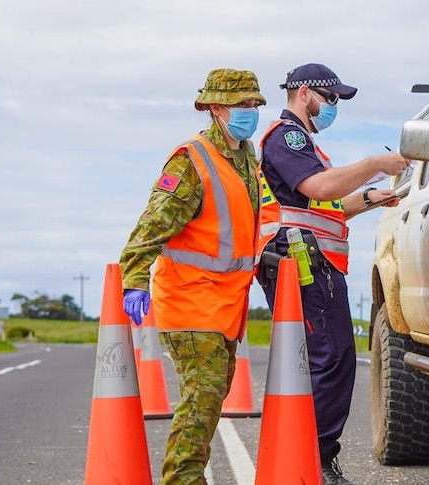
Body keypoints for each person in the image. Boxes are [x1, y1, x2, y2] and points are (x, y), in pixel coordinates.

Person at [256, 63, 411, 485]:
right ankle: (315, 462)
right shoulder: (288, 137)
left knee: (329, 360)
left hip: (310, 261)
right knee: (331, 359)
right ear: (304, 93)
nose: (333, 107)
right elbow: (320, 189)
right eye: (331, 98)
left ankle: (309, 458)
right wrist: (375, 163)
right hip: (303, 262)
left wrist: (370, 198)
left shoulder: (303, 144)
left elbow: (328, 206)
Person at [119, 68, 265, 485]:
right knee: (200, 406)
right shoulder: (191, 160)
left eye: (254, 104)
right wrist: (134, 279)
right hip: (190, 301)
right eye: (242, 105)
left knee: (209, 403)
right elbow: (151, 227)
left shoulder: (245, 156)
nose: (250, 111)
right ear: (216, 108)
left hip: (226, 305)